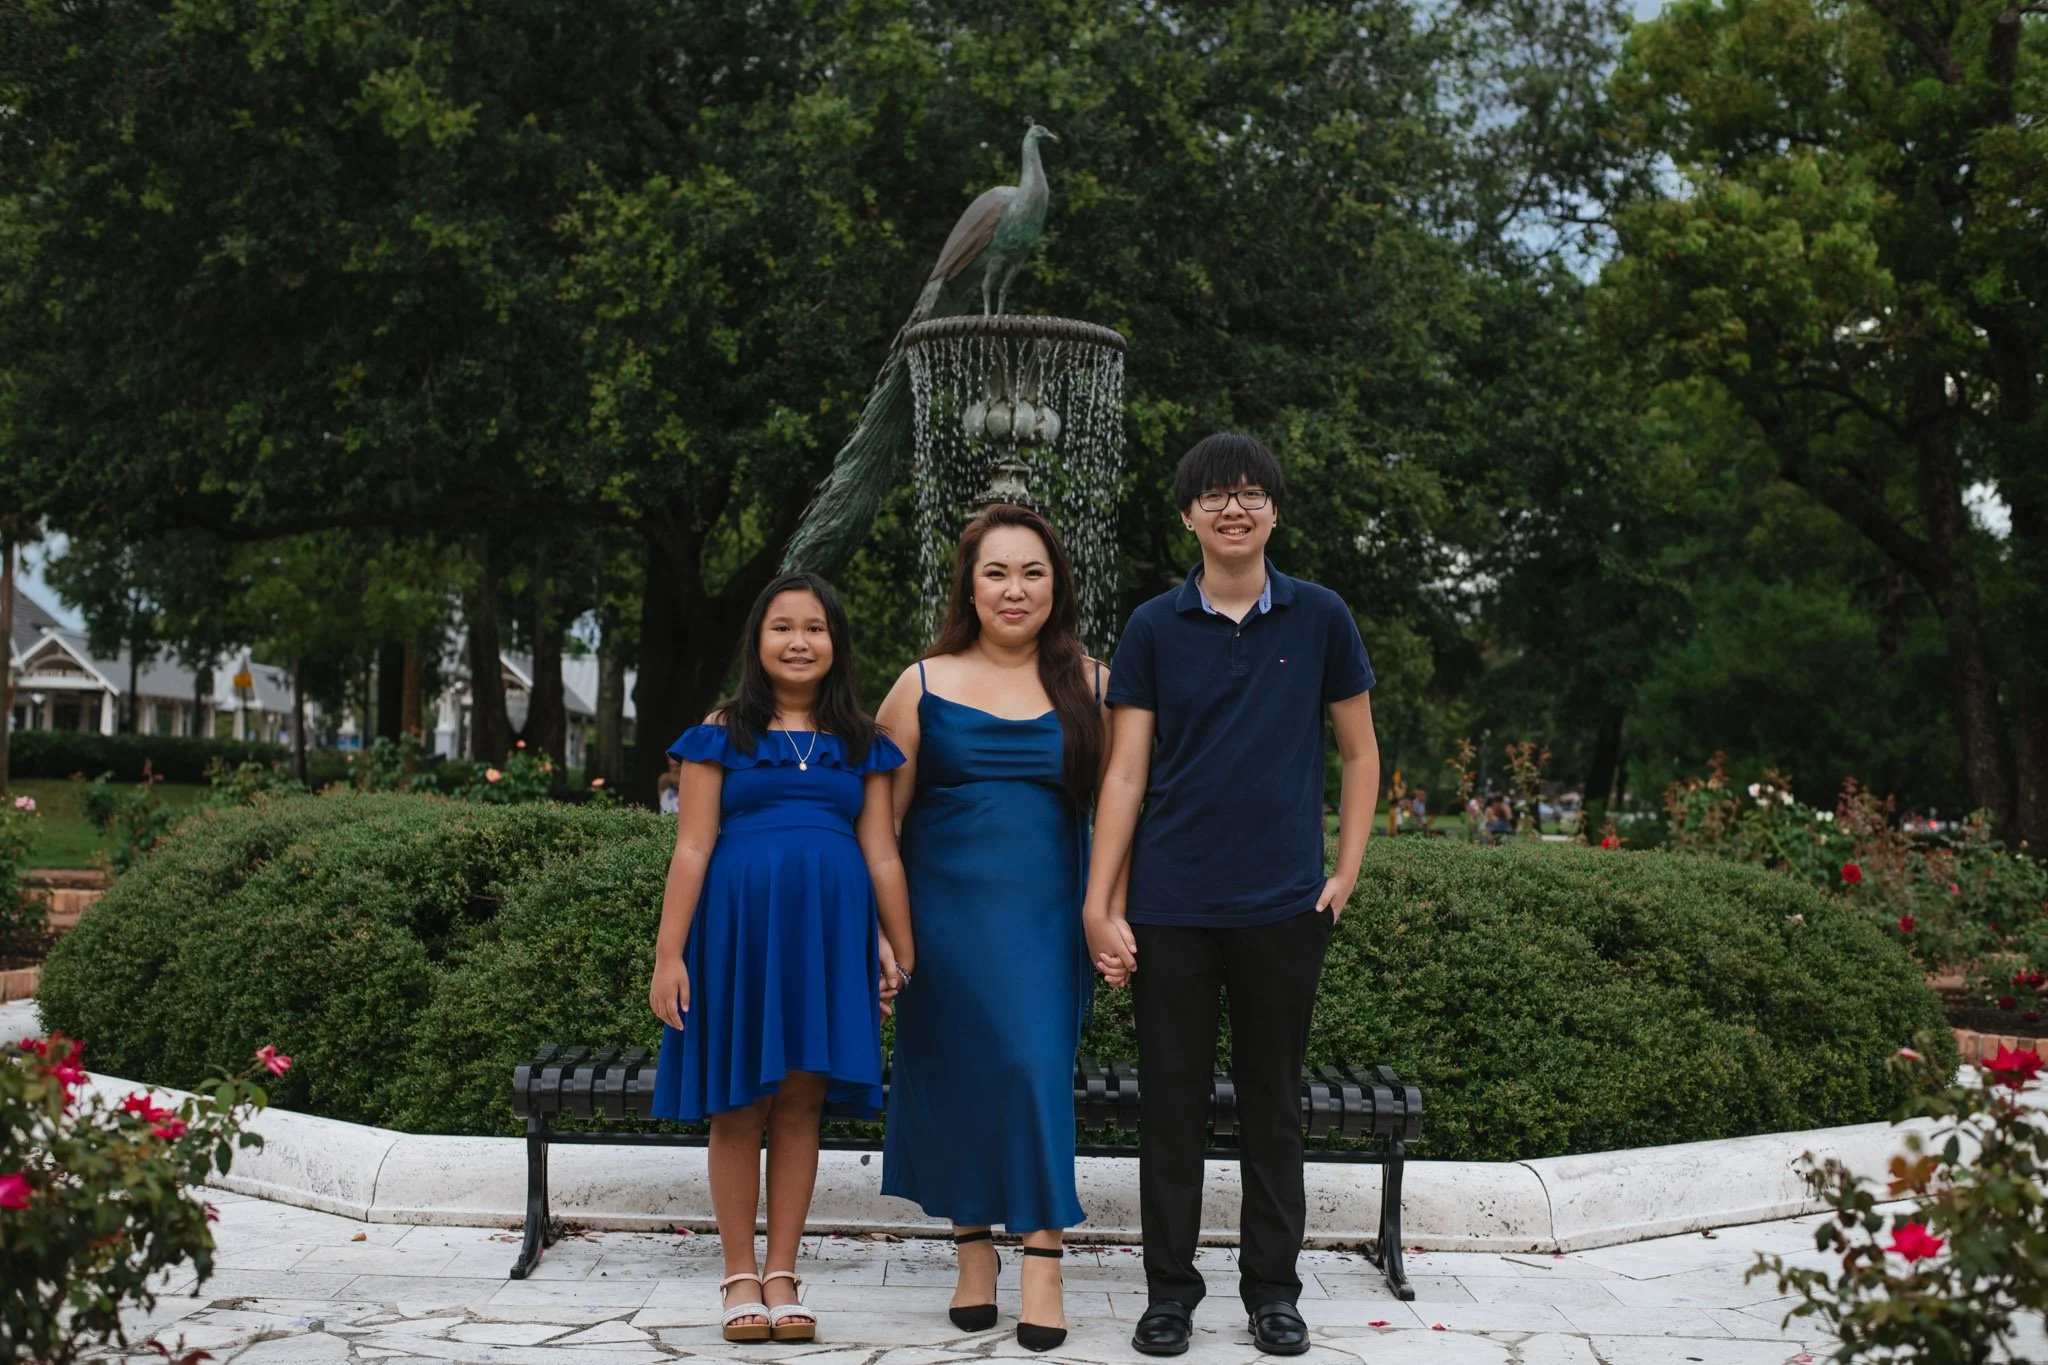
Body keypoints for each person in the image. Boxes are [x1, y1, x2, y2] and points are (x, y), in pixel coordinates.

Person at [1083, 433, 1379, 1358]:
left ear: (1275, 512)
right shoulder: (1153, 627)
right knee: (1170, 1105)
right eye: (1216, 496)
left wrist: (1346, 873)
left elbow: (1362, 753)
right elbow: (1125, 772)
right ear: (1189, 516)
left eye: (1251, 493)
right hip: (1171, 903)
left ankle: (1272, 1292)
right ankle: (1168, 1291)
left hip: (1284, 907)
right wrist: (1104, 902)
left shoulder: (1321, 616)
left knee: (1272, 1103)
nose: (1234, 508)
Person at [645, 571, 914, 1345]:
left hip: (827, 939)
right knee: (738, 1104)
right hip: (735, 937)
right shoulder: (720, 731)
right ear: (757, 642)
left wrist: (899, 945)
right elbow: (692, 847)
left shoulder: (861, 743)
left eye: (815, 628)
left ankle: (785, 1271)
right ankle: (738, 1273)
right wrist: (670, 954)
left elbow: (883, 856)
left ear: (836, 644)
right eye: (782, 627)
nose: (799, 641)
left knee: (800, 1103)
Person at [875, 505, 1110, 1353]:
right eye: (997, 573)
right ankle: (973, 1251)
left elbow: (1120, 813)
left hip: (1048, 917)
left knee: (1029, 1063)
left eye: (1033, 572)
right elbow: (881, 824)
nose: (1015, 589)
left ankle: (1043, 1253)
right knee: (959, 1070)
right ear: (969, 586)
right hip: (940, 916)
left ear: (1057, 584)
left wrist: (1111, 911)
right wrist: (883, 932)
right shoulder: (921, 683)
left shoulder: (1093, 681)